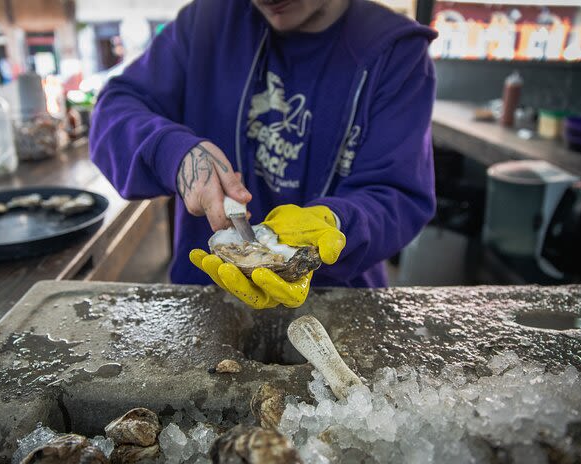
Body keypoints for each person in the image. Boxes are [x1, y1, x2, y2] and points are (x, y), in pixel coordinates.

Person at [90, 0, 437, 309]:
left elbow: (397, 194)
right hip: (207, 297)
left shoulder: (396, 51)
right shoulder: (206, 21)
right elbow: (113, 112)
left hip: (338, 298)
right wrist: (174, 154)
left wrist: (336, 221)